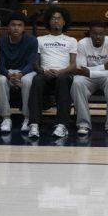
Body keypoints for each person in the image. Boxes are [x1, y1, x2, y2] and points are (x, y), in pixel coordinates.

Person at [27, 8, 77, 139]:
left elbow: (73, 65)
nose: (56, 20)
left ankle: (62, 125)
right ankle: (34, 124)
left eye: (59, 18)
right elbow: (35, 63)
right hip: (45, 73)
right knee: (37, 80)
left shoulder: (71, 40)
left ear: (64, 22)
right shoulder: (40, 39)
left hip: (63, 74)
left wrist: (61, 72)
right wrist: (43, 71)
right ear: (49, 21)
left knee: (62, 80)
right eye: (53, 18)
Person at [71, 21, 108, 137]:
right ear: (90, 34)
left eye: (101, 34)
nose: (98, 37)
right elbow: (81, 69)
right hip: (90, 77)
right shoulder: (82, 43)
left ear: (105, 34)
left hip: (105, 77)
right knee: (77, 81)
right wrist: (104, 67)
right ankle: (84, 124)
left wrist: (90, 72)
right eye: (94, 34)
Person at [0, 12, 38, 133]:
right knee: (0, 79)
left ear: (24, 27)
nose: (16, 28)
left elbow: (32, 63)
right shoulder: (1, 41)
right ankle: (6, 117)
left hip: (26, 71)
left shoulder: (32, 40)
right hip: (8, 72)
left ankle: (27, 117)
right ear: (8, 27)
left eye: (19, 25)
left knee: (27, 81)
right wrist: (8, 74)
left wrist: (21, 74)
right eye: (13, 25)